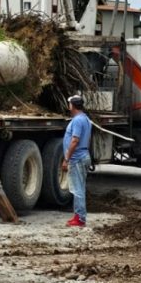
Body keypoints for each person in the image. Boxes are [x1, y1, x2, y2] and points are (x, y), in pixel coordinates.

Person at [62, 94, 92, 227]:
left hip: (77, 159)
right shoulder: (85, 119)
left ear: (72, 106)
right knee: (80, 188)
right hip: (83, 156)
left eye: (69, 104)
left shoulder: (78, 120)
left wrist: (66, 158)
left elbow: (75, 140)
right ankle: (79, 216)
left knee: (77, 189)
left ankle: (80, 218)